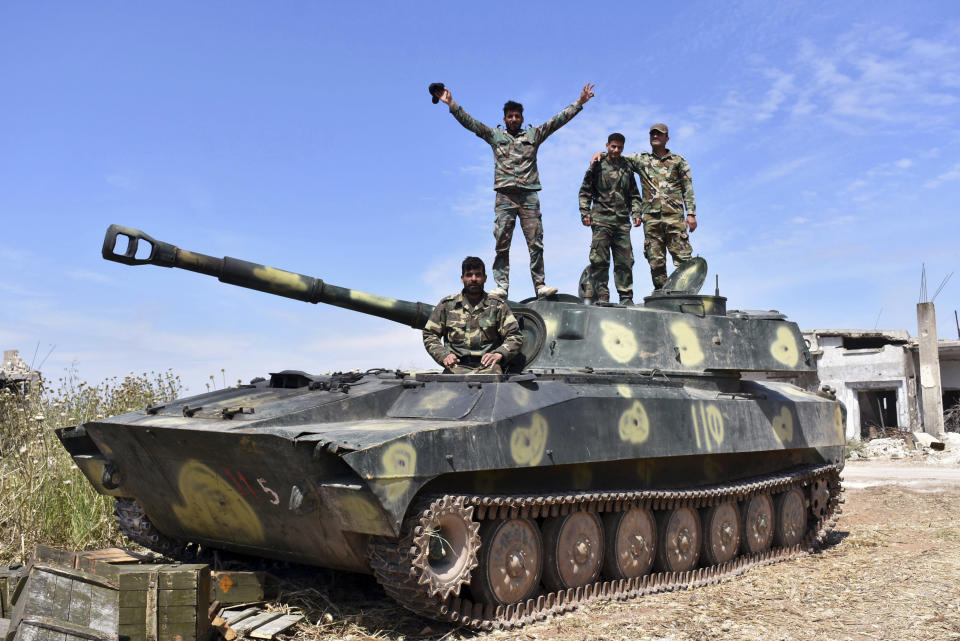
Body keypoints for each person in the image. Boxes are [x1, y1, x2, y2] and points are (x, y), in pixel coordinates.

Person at [435, 83, 596, 300]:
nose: (513, 119)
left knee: (536, 242)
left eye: (517, 116)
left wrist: (579, 103)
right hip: (505, 196)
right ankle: (502, 285)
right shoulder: (495, 136)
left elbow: (556, 121)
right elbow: (471, 124)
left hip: (529, 195)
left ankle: (540, 285)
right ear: (504, 119)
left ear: (522, 117)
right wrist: (452, 104)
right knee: (502, 242)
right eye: (510, 116)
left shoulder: (533, 135)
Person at [593, 123, 697, 289]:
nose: (655, 136)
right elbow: (617, 155)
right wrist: (601, 154)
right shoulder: (642, 160)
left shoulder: (678, 161)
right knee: (656, 262)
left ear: (667, 138)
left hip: (674, 218)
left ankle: (686, 295)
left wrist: (691, 214)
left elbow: (688, 188)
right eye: (653, 134)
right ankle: (662, 296)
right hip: (651, 220)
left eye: (659, 134)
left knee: (683, 259)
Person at [422, 256, 523, 374]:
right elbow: (430, 334)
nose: (473, 279)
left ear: (485, 278)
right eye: (469, 275)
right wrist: (444, 355)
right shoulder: (447, 305)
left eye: (478, 275)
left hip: (489, 368)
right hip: (455, 368)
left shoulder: (497, 306)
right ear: (462, 278)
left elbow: (515, 336)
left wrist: (499, 353)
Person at [578, 133, 641, 305]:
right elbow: (585, 191)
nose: (616, 150)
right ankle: (603, 296)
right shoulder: (597, 165)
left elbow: (634, 195)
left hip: (621, 222)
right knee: (599, 260)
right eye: (613, 146)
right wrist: (585, 213)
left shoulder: (627, 168)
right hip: (601, 220)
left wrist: (636, 213)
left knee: (625, 261)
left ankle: (626, 297)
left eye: (619, 147)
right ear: (607, 146)